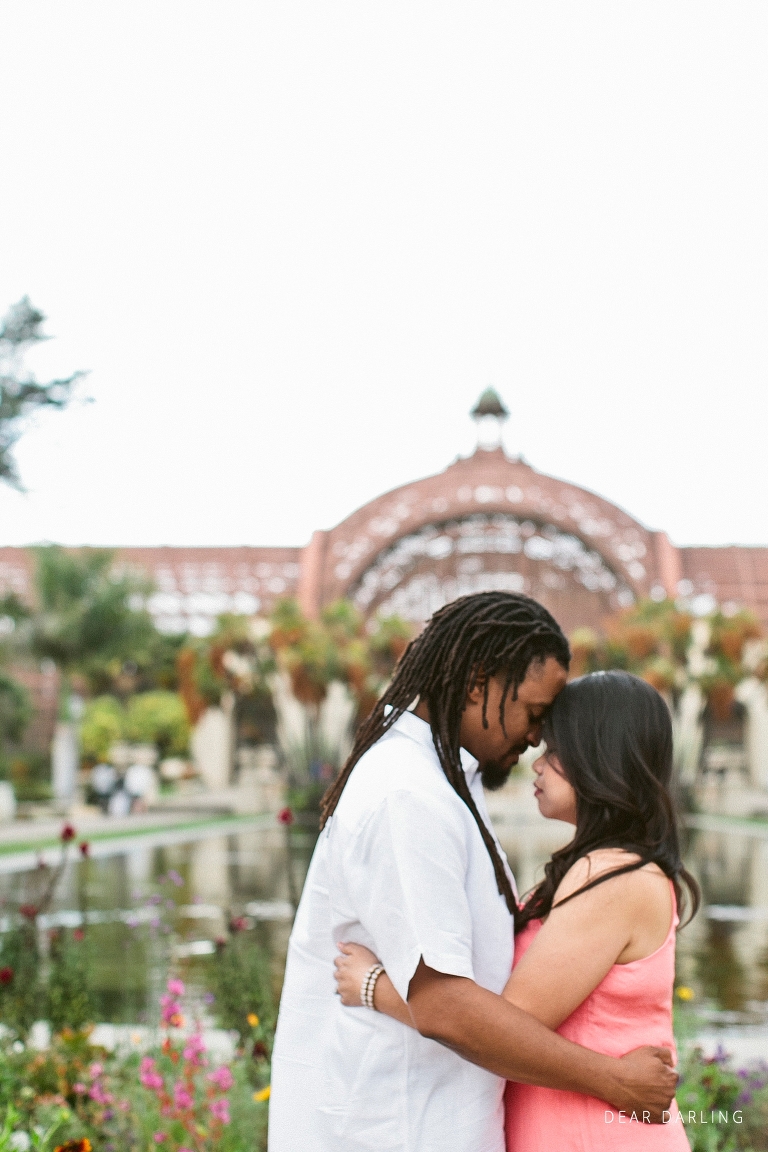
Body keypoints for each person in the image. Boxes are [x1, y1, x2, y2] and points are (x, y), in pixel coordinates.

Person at [268, 593, 678, 1152]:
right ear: (478, 683)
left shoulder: (443, 779)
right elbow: (445, 1005)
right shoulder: (408, 792)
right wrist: (612, 1079)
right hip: (398, 1128)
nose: (535, 739)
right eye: (535, 714)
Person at [335, 670, 698, 1151]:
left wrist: (372, 986)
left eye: (555, 750)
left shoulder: (612, 875)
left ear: (598, 755)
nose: (537, 764)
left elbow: (502, 1029)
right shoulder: (617, 869)